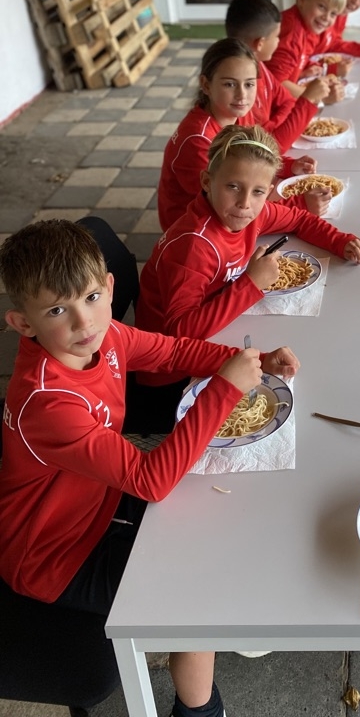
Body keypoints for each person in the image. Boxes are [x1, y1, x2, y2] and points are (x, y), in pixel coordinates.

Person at [0, 219, 295, 717]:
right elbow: (152, 481)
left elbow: (173, 350)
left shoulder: (106, 335)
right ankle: (199, 710)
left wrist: (253, 360)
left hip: (98, 498)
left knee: (217, 510)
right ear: (23, 323)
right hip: (54, 554)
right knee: (193, 594)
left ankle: (224, 623)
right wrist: (226, 387)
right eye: (57, 310)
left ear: (109, 287)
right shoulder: (47, 401)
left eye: (92, 297)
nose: (84, 323)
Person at [138, 124, 360, 348]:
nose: (245, 203)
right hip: (167, 362)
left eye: (258, 191)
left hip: (218, 322)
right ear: (207, 182)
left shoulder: (255, 212)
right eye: (233, 187)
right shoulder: (194, 246)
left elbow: (300, 219)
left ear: (268, 192)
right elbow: (180, 331)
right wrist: (251, 283)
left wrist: (340, 241)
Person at [157, 38, 329, 232]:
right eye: (230, 84)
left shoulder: (235, 114)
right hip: (195, 230)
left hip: (229, 211)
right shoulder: (199, 140)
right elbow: (229, 213)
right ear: (206, 85)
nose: (242, 95)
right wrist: (300, 204)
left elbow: (249, 158)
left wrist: (288, 166)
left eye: (249, 84)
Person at [266, 0, 360, 95]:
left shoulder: (308, 26)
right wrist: (318, 97)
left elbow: (295, 62)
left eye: (333, 14)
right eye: (321, 7)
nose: (326, 18)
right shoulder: (293, 33)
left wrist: (306, 71)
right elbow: (274, 85)